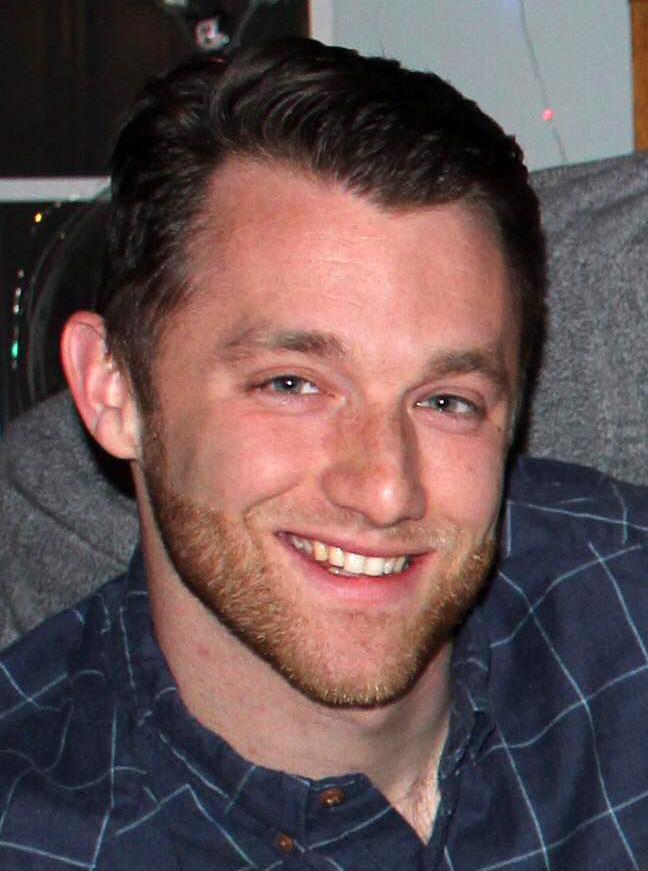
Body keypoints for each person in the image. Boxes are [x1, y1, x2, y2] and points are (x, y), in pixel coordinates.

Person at [1, 38, 648, 870]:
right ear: (112, 389)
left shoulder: (625, 625)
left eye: (446, 400)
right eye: (293, 384)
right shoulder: (35, 834)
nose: (384, 489)